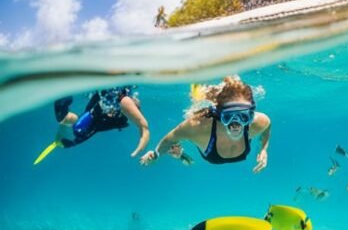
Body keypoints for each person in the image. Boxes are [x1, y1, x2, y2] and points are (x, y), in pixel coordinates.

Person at [140, 76, 271, 173]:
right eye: (228, 116)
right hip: (206, 143)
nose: (236, 124)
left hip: (210, 150)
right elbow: (170, 138)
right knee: (176, 146)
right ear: (220, 114)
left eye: (243, 116)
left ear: (251, 114)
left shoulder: (260, 122)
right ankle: (180, 153)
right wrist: (156, 154)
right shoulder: (197, 126)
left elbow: (267, 128)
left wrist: (263, 149)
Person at [34, 86, 151, 164]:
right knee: (76, 129)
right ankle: (63, 109)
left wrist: (139, 149)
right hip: (94, 117)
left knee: (76, 130)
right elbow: (144, 127)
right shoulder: (124, 104)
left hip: (95, 118)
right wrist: (138, 150)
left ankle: (63, 111)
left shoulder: (123, 110)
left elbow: (143, 127)